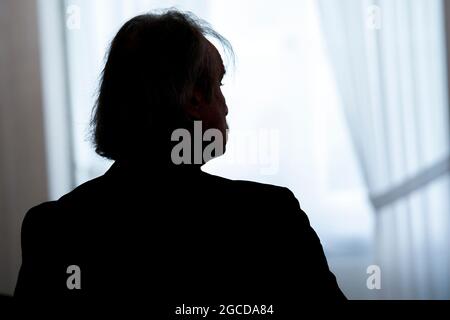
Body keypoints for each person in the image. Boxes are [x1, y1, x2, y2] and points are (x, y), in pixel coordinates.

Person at [15, 9, 345, 310]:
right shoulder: (269, 219)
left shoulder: (53, 229)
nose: (226, 106)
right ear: (193, 98)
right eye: (218, 84)